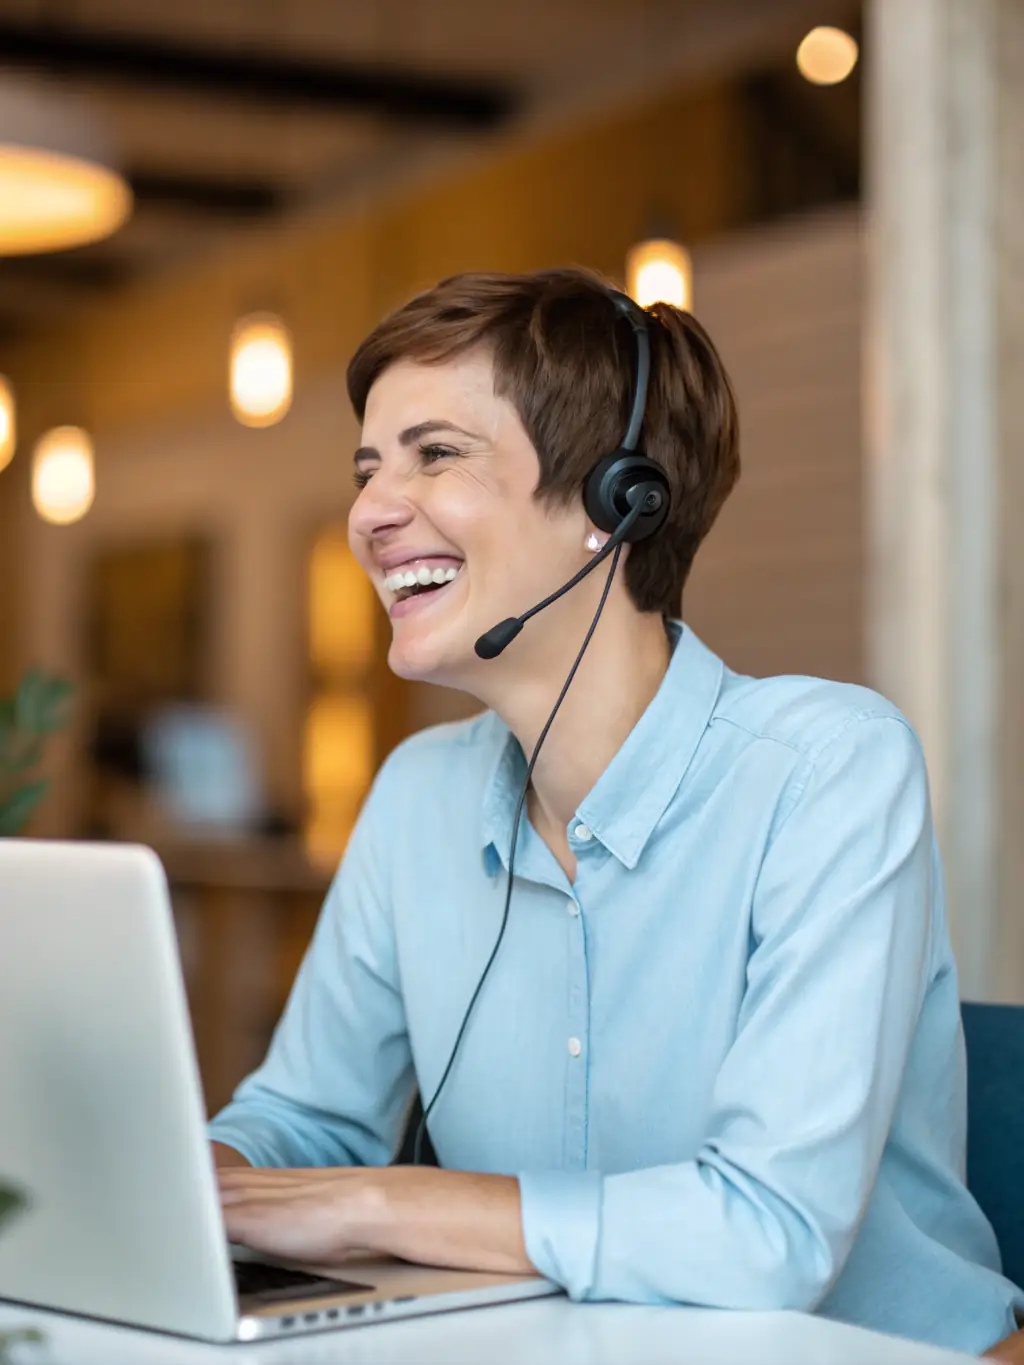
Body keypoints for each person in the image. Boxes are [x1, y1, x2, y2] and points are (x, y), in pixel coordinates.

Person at [208, 267, 1023, 1355]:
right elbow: (305, 1124)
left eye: (435, 455)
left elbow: (767, 1235)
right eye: (368, 469)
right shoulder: (417, 796)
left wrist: (378, 1201)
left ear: (617, 500)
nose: (367, 514)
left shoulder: (828, 771)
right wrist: (201, 1179)